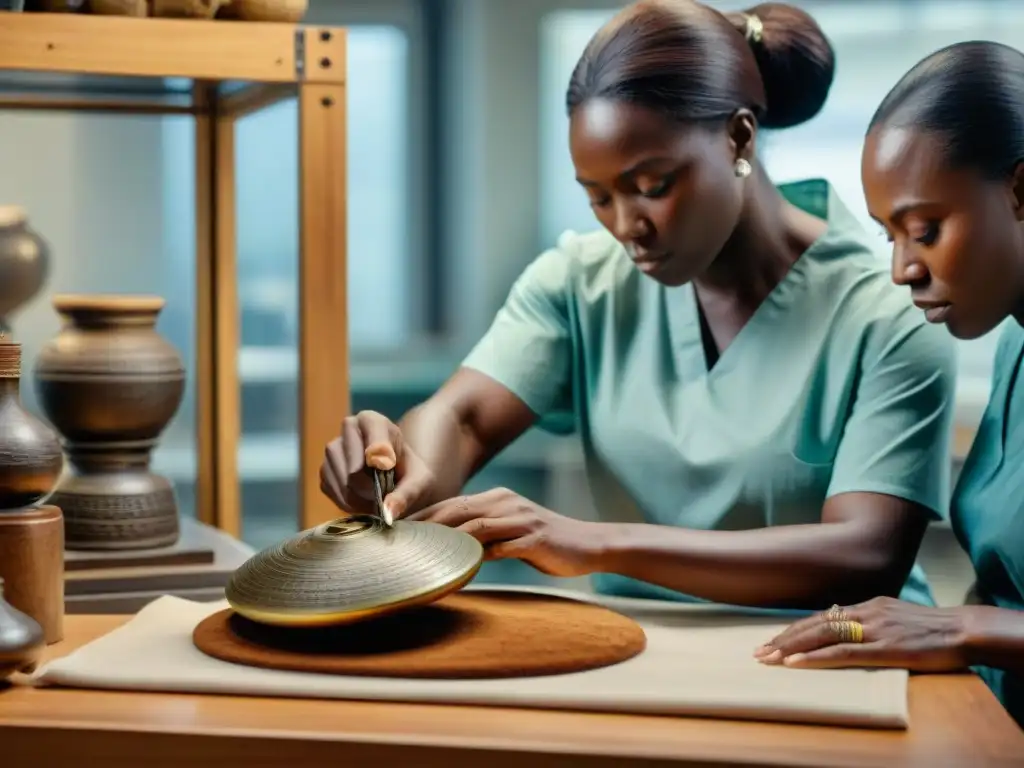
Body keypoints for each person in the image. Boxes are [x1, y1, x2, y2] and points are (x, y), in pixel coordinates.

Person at [320, 0, 958, 611]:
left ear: (739, 139)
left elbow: (867, 554)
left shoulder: (889, 317)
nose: (628, 225)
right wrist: (408, 473)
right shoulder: (579, 283)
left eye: (652, 186)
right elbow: (461, 420)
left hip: (846, 656)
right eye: (598, 197)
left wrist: (592, 543)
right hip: (647, 651)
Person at [753, 40, 1024, 727]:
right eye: (889, 237)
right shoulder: (1014, 339)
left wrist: (960, 629)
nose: (903, 269)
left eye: (925, 230)